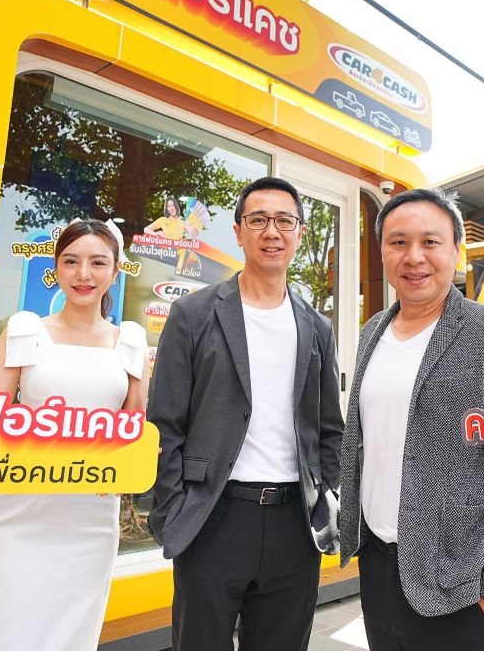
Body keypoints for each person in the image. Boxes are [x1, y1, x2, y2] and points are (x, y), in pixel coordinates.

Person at [338, 187, 484, 651]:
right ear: (382, 252)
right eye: (398, 242)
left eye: (430, 242)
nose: (414, 256)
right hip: (379, 570)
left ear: (456, 250)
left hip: (463, 586)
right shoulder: (372, 332)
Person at [147, 176, 343, 651]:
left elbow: (330, 428)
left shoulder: (316, 326)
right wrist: (171, 512)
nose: (271, 231)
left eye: (284, 221)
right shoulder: (193, 314)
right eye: (258, 220)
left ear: (299, 233)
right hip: (213, 516)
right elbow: (164, 424)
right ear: (238, 232)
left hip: (294, 523)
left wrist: (328, 498)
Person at [0, 219, 149, 651]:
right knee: (4, 632)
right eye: (71, 261)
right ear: (56, 268)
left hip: (89, 520)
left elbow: (134, 431)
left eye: (97, 263)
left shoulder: (130, 342)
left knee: (71, 636)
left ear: (116, 271)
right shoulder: (23, 330)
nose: (83, 274)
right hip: (18, 512)